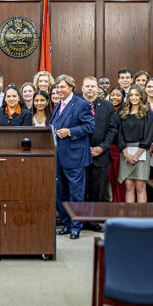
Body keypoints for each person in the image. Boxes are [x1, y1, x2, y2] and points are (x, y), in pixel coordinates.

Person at [50, 75, 94, 240]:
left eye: (62, 87)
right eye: (57, 87)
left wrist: (70, 132)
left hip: (75, 157)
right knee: (61, 193)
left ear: (71, 87)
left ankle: (76, 227)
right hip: (59, 157)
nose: (59, 90)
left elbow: (90, 126)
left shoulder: (81, 104)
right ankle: (67, 225)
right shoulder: (58, 105)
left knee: (76, 194)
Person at [81, 77, 116, 209]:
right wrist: (85, 149)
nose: (90, 89)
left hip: (101, 156)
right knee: (81, 191)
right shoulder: (76, 104)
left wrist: (102, 148)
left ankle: (94, 221)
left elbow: (113, 130)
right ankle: (80, 221)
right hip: (81, 155)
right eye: (87, 86)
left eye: (92, 86)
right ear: (82, 88)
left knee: (98, 191)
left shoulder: (108, 106)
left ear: (97, 88)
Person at [117, 85, 153, 203]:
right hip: (126, 152)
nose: (134, 97)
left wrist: (137, 155)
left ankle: (142, 219)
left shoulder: (147, 113)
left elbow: (149, 136)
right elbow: (120, 135)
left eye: (136, 95)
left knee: (140, 187)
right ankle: (130, 218)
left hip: (142, 152)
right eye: (131, 95)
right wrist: (126, 153)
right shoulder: (123, 113)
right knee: (129, 187)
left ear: (141, 96)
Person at [107, 86, 126, 202]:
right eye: (113, 95)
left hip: (120, 149)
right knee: (111, 178)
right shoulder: (107, 109)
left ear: (123, 97)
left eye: (118, 95)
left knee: (121, 180)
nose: (115, 97)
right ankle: (113, 203)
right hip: (108, 149)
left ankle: (120, 205)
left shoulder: (125, 111)